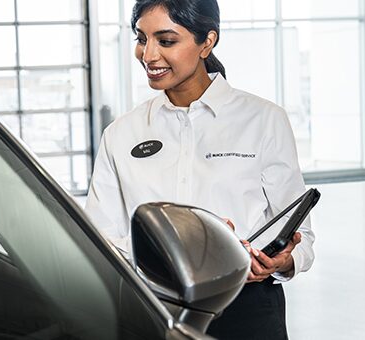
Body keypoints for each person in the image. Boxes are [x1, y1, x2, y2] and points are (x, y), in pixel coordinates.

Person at [83, 0, 314, 338]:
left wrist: (282, 263)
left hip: (247, 310)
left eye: (166, 41)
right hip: (152, 309)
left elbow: (301, 235)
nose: (148, 55)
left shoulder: (264, 120)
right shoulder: (121, 134)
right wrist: (175, 253)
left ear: (207, 41)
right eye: (141, 39)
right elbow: (101, 240)